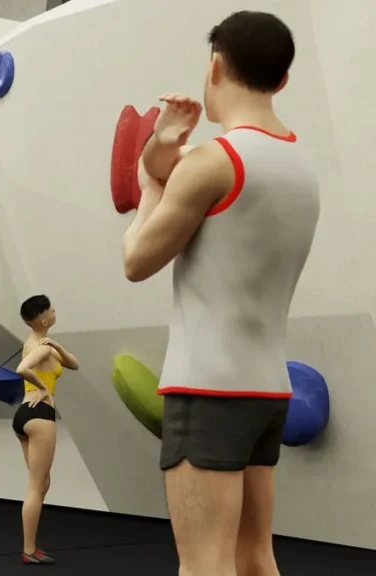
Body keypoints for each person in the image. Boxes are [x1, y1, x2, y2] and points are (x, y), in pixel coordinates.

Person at [122, 11, 318, 576]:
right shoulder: (300, 166)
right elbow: (174, 168)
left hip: (206, 386)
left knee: (204, 564)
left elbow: (136, 261)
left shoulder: (214, 162)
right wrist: (165, 146)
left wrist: (148, 193)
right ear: (282, 80)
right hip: (267, 390)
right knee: (256, 558)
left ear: (214, 66)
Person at [10, 295, 79, 565]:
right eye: (50, 309)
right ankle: (29, 551)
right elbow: (22, 369)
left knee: (42, 484)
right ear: (43, 320)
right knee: (36, 487)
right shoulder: (40, 348)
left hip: (24, 416)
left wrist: (56, 345)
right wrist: (43, 388)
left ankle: (31, 547)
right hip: (40, 416)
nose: (54, 310)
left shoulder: (37, 344)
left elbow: (74, 364)